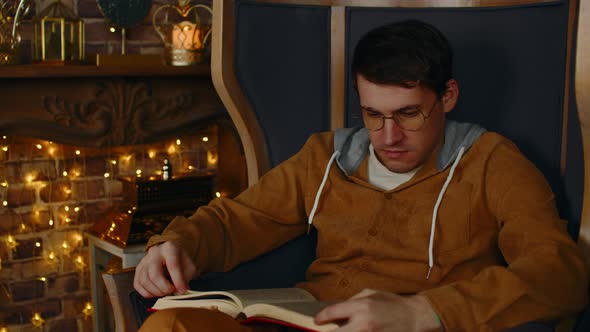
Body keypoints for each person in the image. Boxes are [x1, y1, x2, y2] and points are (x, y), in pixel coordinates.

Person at [134, 20, 588, 331]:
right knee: (170, 324)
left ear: (447, 97)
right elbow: (239, 221)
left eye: (408, 114)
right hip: (310, 320)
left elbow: (560, 274)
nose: (387, 136)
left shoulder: (493, 162)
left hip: (415, 327)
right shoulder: (326, 156)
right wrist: (179, 245)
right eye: (373, 114)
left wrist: (424, 312)